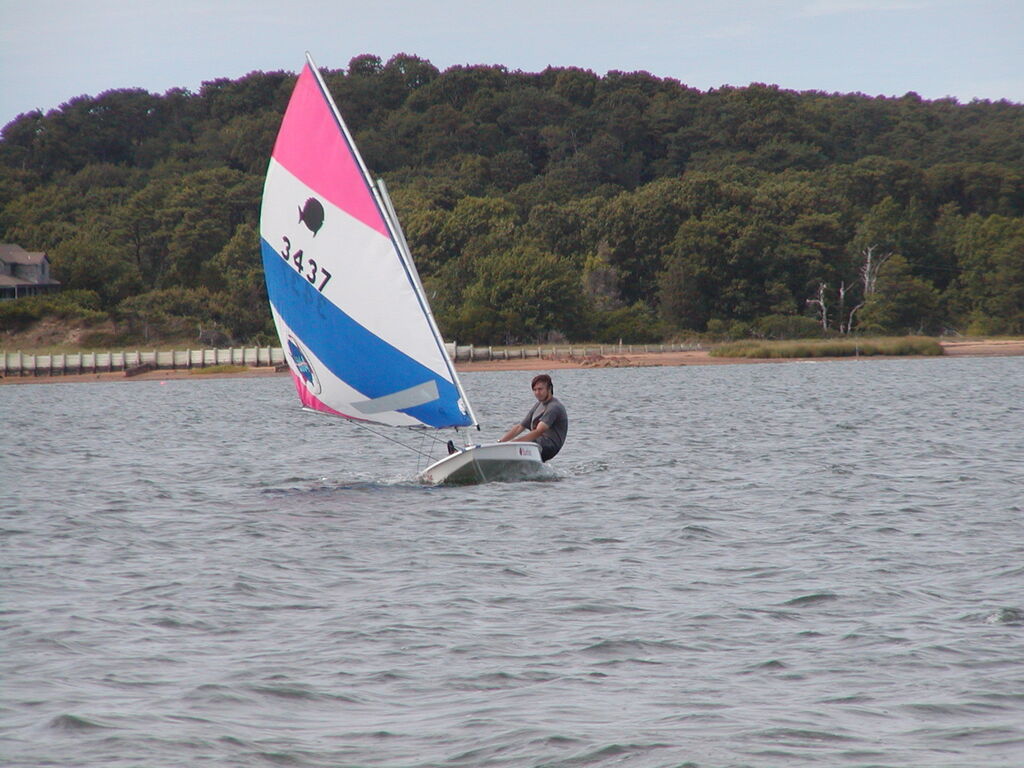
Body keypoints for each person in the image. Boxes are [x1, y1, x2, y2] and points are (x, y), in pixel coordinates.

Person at [498, 373, 568, 462]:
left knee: (516, 447)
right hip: (536, 443)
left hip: (549, 446)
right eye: (534, 390)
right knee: (510, 447)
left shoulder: (554, 407)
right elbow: (520, 427)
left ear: (549, 389)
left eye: (540, 389)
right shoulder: (539, 404)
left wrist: (513, 444)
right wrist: (501, 442)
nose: (537, 393)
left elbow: (539, 431)